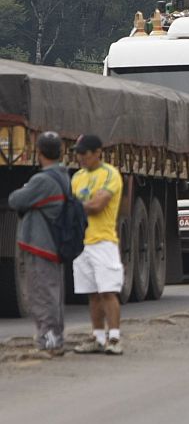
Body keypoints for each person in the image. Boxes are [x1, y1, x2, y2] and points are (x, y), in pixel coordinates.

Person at [8, 132, 69, 357]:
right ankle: (55, 336)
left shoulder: (43, 180)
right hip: (52, 244)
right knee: (52, 291)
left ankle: (49, 338)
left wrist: (25, 189)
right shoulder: (62, 176)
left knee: (42, 293)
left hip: (42, 244)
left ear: (39, 152)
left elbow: (16, 199)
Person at [70, 135, 126, 355]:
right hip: (83, 243)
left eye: (84, 153)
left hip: (103, 241)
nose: (80, 157)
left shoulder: (109, 174)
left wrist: (75, 207)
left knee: (108, 292)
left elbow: (97, 205)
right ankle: (98, 336)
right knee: (92, 293)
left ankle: (114, 337)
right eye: (78, 153)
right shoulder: (76, 178)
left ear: (97, 152)